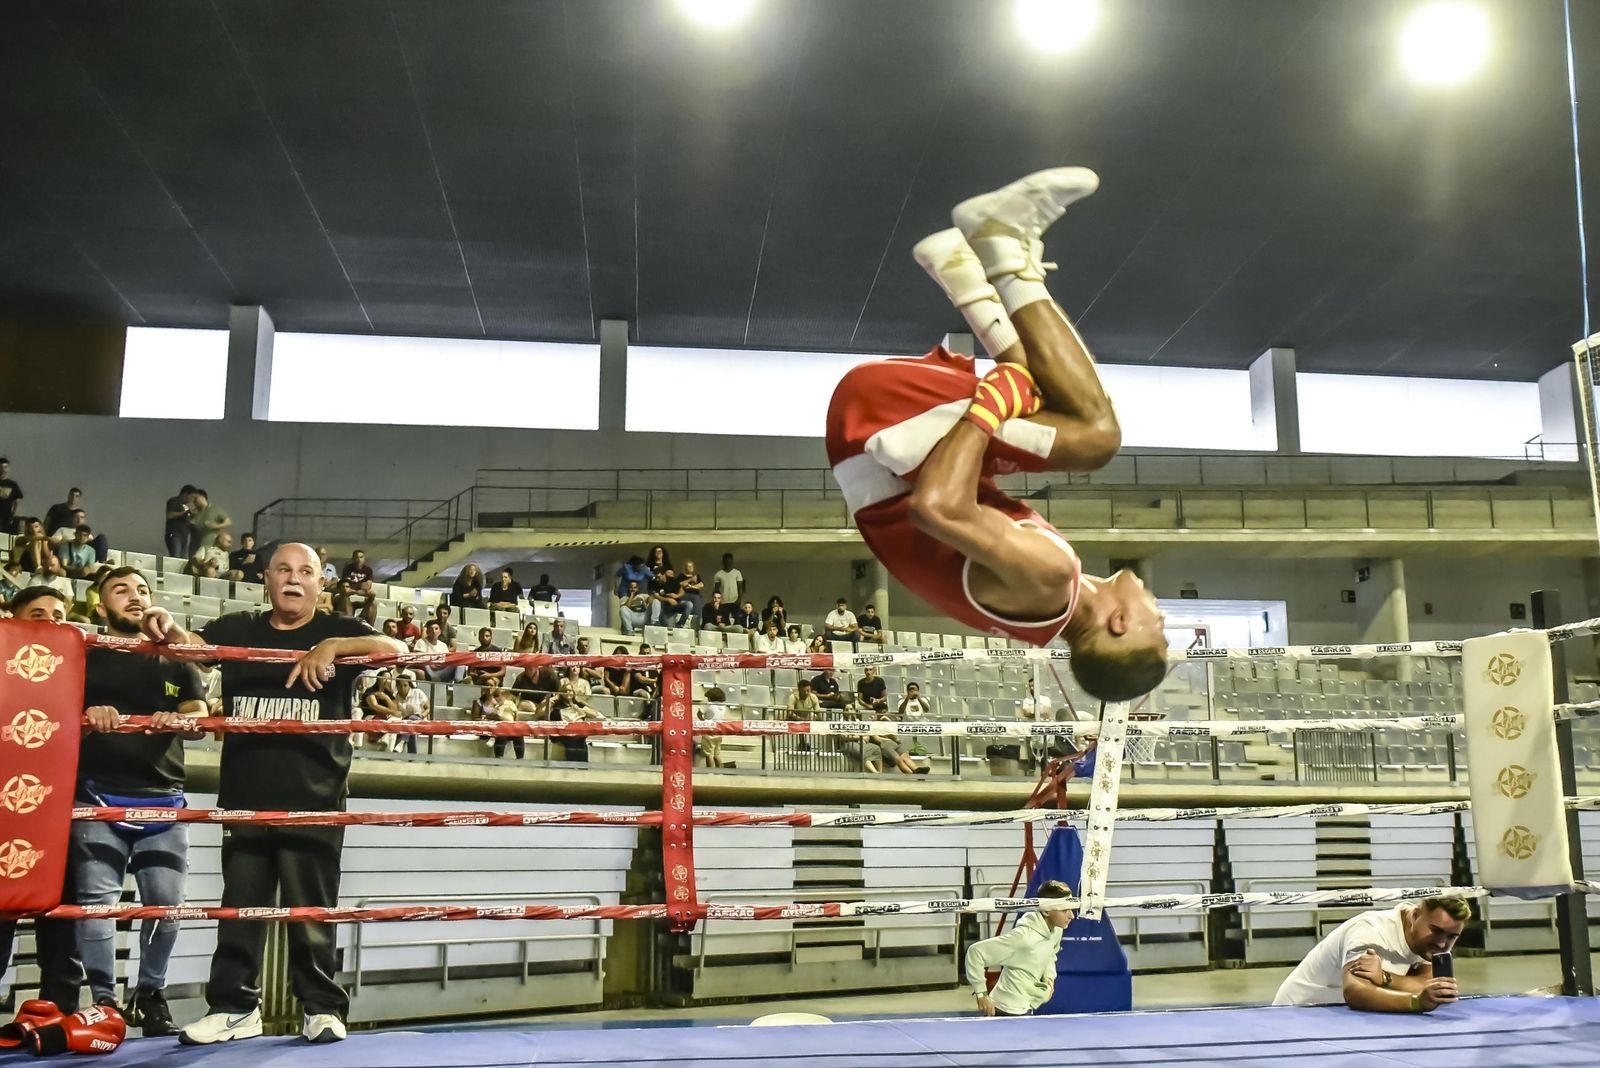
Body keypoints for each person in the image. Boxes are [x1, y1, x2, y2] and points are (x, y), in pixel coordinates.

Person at [825, 167, 1167, 702]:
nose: (1162, 613)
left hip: (883, 432)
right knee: (1064, 396)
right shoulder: (1043, 608)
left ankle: (1001, 247)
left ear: (1119, 623)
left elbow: (937, 508)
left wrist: (989, 407)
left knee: (1097, 436)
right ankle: (962, 269)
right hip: (884, 450)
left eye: (1160, 627)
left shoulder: (1052, 581)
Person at [138, 543, 407, 1046]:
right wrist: (167, 627)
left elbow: (396, 650)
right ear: (266, 578)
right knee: (240, 909)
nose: (293, 578)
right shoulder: (239, 628)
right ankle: (234, 1007)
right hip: (245, 793)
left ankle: (322, 1008)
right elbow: (193, 647)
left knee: (311, 911)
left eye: (305, 571)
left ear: (319, 584)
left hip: (316, 796)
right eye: (283, 569)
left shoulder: (339, 629)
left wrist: (331, 648)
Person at [72, 567, 207, 1036]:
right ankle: (105, 1002)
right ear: (101, 604)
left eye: (143, 590)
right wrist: (87, 713)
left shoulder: (175, 655)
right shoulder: (85, 654)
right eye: (121, 590)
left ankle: (150, 995)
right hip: (98, 796)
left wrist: (181, 716)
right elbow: (56, 705)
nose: (135, 597)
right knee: (96, 906)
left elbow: (198, 706)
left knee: (166, 907)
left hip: (163, 800)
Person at [0, 587, 86, 1017]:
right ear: (12, 618)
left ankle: (61, 1014)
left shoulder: (76, 668)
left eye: (59, 614)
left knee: (62, 916)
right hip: (6, 811)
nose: (50, 621)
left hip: (56, 812)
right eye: (38, 613)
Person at [1273, 897, 1467, 1011]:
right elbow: (1356, 992)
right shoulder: (1369, 931)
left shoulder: (1433, 941)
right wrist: (1416, 1002)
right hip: (1300, 1012)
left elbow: (1430, 982)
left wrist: (1384, 977)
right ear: (1415, 915)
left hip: (1345, 1016)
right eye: (1436, 930)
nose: (1443, 943)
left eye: (1452, 936)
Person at [965, 880, 1076, 1016]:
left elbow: (1051, 954)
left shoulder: (1056, 930)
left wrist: (1049, 978)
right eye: (1065, 910)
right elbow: (975, 952)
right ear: (1046, 911)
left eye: (1071, 908)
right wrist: (981, 994)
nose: (1071, 915)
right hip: (1005, 1009)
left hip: (1027, 1006)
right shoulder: (1023, 938)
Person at [698, 685, 730, 768]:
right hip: (719, 730)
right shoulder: (723, 706)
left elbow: (699, 713)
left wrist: (702, 720)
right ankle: (721, 772)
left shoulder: (709, 704)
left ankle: (711, 772)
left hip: (709, 730)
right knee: (717, 754)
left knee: (709, 754)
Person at [163, 485, 195, 559]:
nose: (192, 500)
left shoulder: (186, 505)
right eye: (191, 497)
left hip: (185, 536)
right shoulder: (174, 501)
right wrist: (184, 513)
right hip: (175, 535)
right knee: (176, 557)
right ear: (186, 494)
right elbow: (170, 515)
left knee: (183, 559)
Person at [0, 458, 23, 532]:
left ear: (8, 468)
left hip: (6, 517)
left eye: (5, 467)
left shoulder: (12, 484)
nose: (3, 470)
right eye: (1, 467)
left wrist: (12, 515)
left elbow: (16, 502)